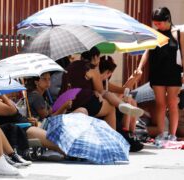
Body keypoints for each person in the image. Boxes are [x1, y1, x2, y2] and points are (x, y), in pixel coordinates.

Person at [60, 47, 144, 129]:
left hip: (66, 102)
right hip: (84, 101)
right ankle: (112, 139)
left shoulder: (71, 66)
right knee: (110, 107)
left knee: (105, 95)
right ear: (95, 57)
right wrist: (97, 92)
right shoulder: (92, 68)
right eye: (99, 58)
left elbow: (77, 85)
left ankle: (122, 105)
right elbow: (100, 90)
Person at [135, 7, 184, 140]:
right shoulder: (154, 34)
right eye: (155, 23)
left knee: (172, 102)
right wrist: (139, 67)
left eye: (159, 23)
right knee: (160, 104)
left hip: (174, 72)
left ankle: (172, 135)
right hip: (157, 72)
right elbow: (147, 51)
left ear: (167, 19)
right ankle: (161, 133)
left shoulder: (178, 33)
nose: (156, 26)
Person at [99, 56, 144, 152]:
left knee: (130, 101)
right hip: (103, 114)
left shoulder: (105, 82)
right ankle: (127, 131)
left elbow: (122, 90)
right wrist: (132, 80)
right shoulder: (99, 82)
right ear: (108, 72)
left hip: (109, 109)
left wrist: (133, 79)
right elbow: (121, 92)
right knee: (126, 102)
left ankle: (130, 132)